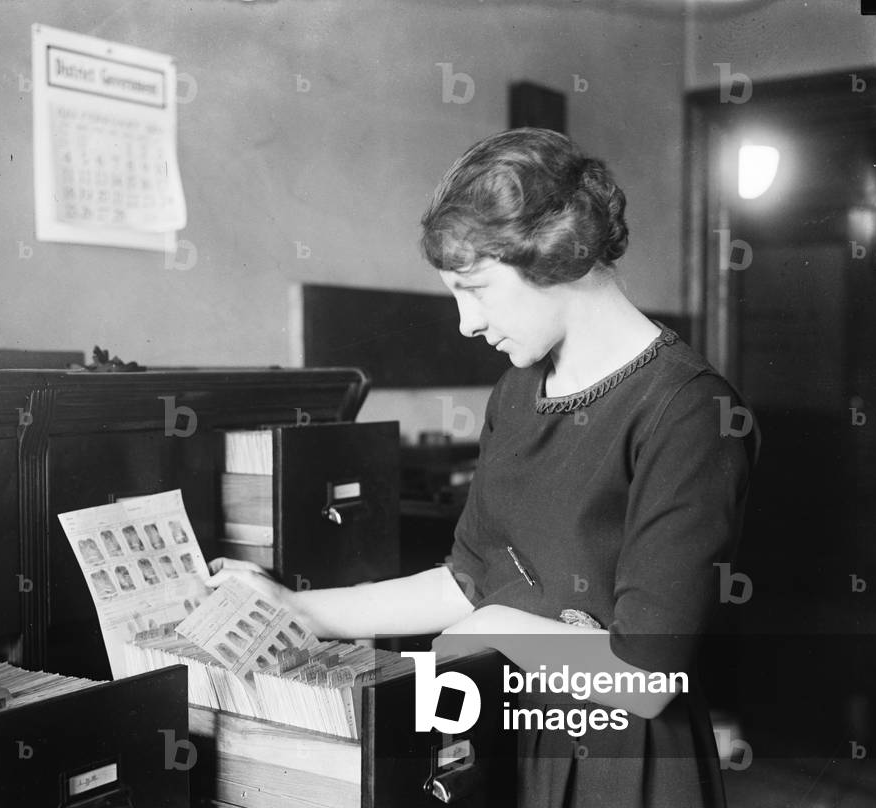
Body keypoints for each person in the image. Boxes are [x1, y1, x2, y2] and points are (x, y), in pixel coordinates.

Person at [207, 128, 758, 807]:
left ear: (557, 254)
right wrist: (295, 610)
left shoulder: (688, 411)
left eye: (476, 288)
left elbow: (641, 682)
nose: (466, 323)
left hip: (624, 767)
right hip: (514, 739)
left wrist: (494, 626)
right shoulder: (517, 393)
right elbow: (467, 580)